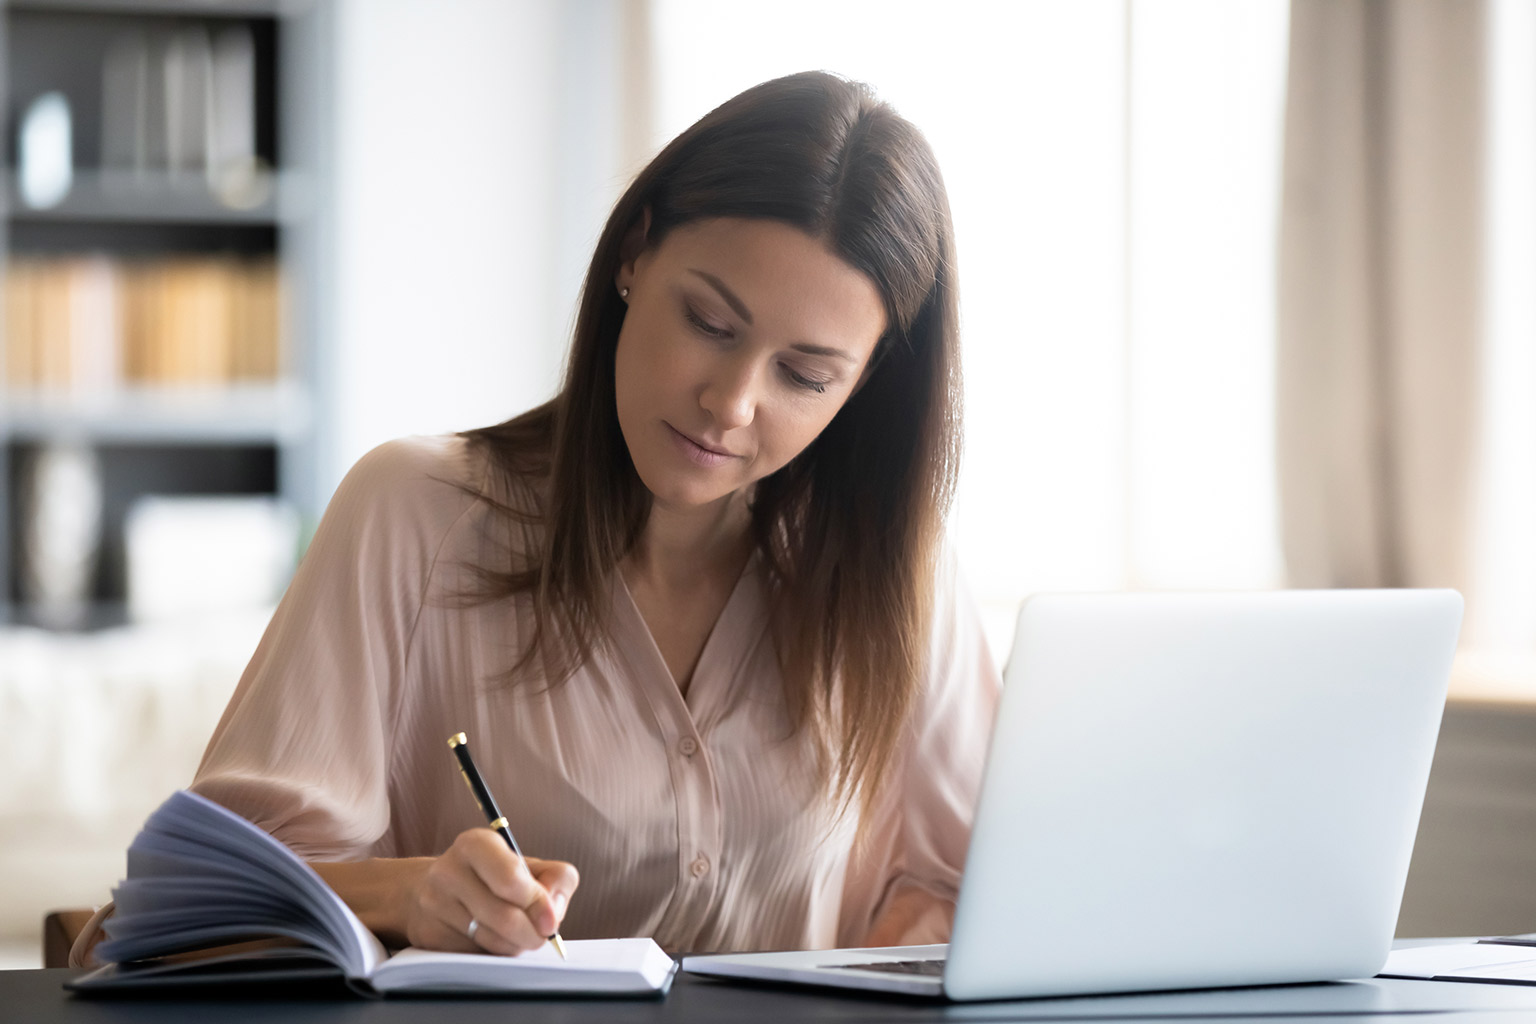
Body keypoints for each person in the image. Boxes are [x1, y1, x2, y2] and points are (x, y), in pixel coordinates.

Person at [74, 70, 1001, 964]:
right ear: (635, 252)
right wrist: (407, 895)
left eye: (804, 376)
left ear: (864, 385)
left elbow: (978, 900)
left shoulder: (898, 579)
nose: (731, 403)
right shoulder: (413, 515)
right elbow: (181, 912)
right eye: (710, 324)